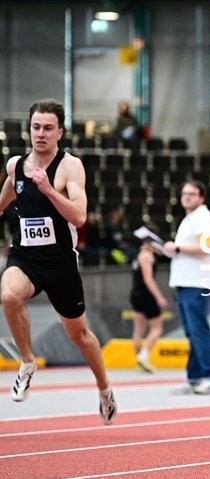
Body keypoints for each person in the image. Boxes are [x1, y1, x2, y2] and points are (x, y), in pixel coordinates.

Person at [0, 99, 117, 424]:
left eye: (48, 128)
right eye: (36, 126)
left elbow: (79, 217)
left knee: (79, 335)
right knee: (8, 294)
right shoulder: (15, 166)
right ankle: (27, 361)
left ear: (60, 132)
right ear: (29, 128)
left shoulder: (70, 166)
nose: (41, 133)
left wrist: (50, 190)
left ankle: (104, 388)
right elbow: (5, 200)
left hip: (60, 263)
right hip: (25, 256)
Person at [164, 179, 210, 395]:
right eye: (184, 193)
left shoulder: (204, 219)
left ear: (201, 198)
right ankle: (195, 376)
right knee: (192, 331)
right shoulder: (190, 219)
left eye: (192, 194)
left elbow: (205, 247)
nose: (186, 197)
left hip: (198, 282)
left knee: (198, 330)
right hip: (186, 280)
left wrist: (176, 247)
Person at [130, 235, 169, 373]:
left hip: (135, 293)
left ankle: (139, 362)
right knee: (157, 328)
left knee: (139, 330)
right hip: (146, 295)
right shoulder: (147, 256)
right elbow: (148, 279)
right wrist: (159, 297)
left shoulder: (138, 254)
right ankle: (144, 355)